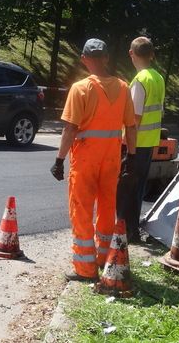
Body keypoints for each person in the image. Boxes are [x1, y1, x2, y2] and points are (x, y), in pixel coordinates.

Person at [50, 38, 137, 282]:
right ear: (106, 58)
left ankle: (85, 270)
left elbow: (70, 130)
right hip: (111, 160)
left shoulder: (80, 89)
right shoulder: (123, 87)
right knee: (108, 208)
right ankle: (103, 258)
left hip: (86, 159)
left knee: (82, 210)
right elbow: (131, 127)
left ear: (84, 59)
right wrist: (131, 157)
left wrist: (59, 159)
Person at [117, 36, 165, 243]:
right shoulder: (158, 77)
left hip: (135, 144)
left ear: (131, 54)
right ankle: (132, 231)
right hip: (149, 142)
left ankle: (123, 232)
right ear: (151, 54)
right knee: (137, 188)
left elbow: (133, 119)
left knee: (125, 189)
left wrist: (126, 145)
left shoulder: (140, 80)